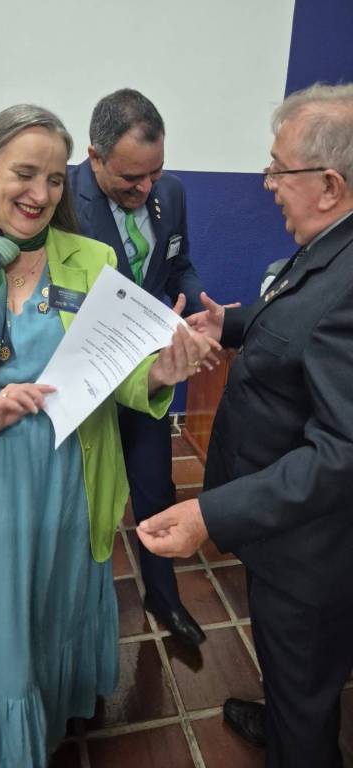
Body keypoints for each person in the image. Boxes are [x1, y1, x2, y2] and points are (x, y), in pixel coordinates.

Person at [0, 104, 218, 768]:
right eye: (25, 174)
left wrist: (158, 372)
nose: (40, 194)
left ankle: (48, 716)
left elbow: (112, 371)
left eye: (55, 179)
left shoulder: (90, 258)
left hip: (67, 483)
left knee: (50, 610)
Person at [137, 82, 353, 768]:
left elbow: (340, 453)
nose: (267, 184)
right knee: (291, 674)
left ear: (329, 185)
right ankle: (284, 716)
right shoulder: (332, 246)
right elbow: (298, 310)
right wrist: (227, 324)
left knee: (304, 678)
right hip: (284, 533)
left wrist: (210, 513)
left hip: (312, 551)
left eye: (278, 169)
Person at [69, 88, 209, 647]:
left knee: (154, 487)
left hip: (149, 377)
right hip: (86, 381)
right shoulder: (60, 202)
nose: (146, 188)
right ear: (94, 157)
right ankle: (79, 611)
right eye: (131, 178)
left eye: (155, 172)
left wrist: (198, 303)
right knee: (82, 503)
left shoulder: (169, 192)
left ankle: (164, 596)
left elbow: (178, 263)